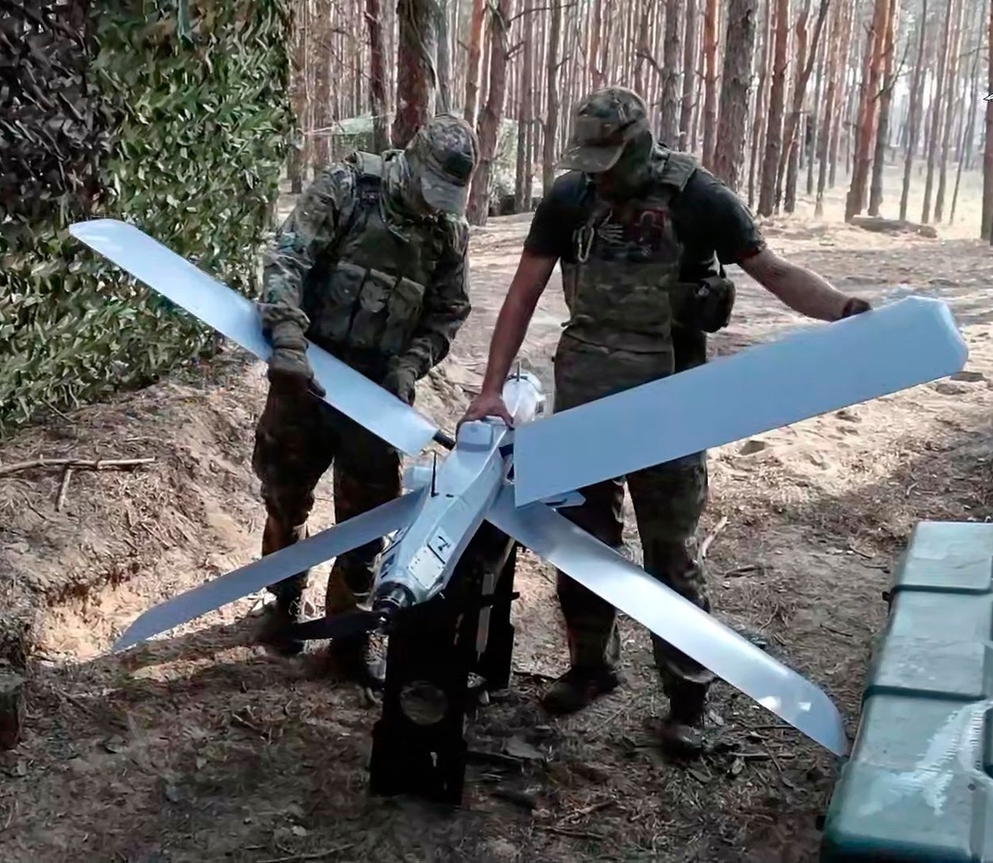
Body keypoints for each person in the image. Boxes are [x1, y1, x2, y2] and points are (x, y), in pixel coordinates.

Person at [459, 86, 871, 757]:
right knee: (580, 542)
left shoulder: (700, 198)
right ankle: (590, 667)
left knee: (670, 554)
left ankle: (687, 698)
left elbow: (775, 271)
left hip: (670, 403)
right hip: (588, 392)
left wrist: (843, 309)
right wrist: (488, 389)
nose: (599, 170)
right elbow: (523, 292)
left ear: (641, 142)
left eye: (609, 157)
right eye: (589, 158)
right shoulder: (569, 198)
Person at [250, 114, 477, 687]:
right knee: (285, 495)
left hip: (375, 396)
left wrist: (409, 364)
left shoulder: (446, 232)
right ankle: (283, 600)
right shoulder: (347, 189)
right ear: (411, 160)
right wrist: (287, 340)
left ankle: (346, 635)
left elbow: (448, 311)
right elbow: (288, 259)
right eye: (431, 190)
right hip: (307, 376)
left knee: (368, 520)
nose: (436, 205)